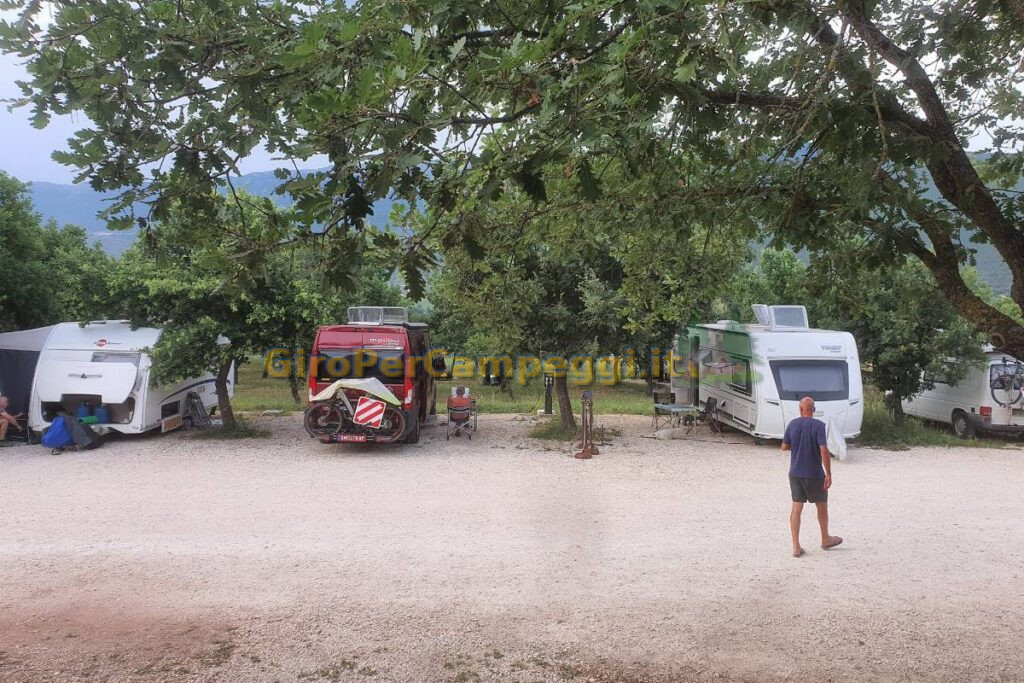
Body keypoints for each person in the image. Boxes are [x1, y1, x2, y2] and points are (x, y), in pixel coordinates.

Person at [781, 396, 843, 557]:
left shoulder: (793, 424)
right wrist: (828, 473)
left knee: (796, 507)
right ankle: (825, 539)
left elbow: (784, 446)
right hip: (814, 473)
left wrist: (798, 445)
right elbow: (823, 450)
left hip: (795, 472)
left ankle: (795, 547)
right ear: (813, 410)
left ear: (800, 409)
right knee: (821, 505)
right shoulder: (818, 426)